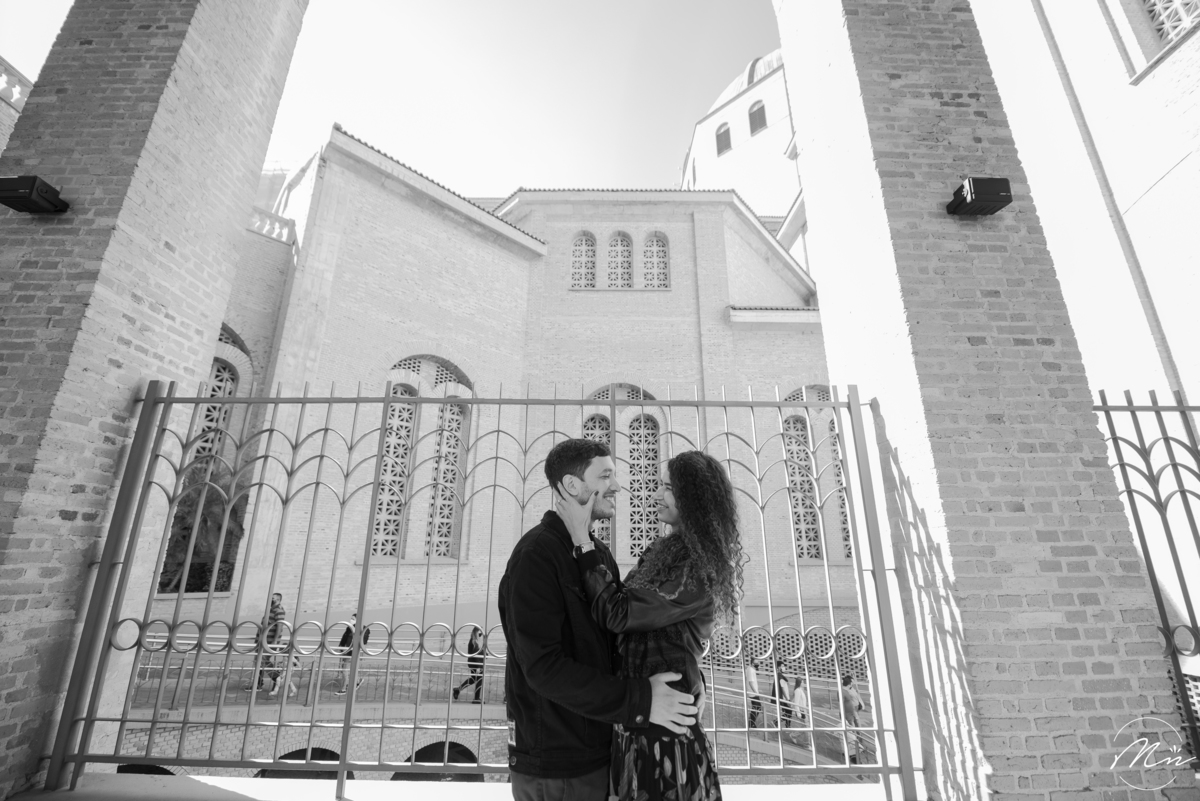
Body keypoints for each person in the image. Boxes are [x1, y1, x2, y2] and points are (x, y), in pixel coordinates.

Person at [499, 438, 699, 801]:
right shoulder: (536, 555)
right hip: (558, 766)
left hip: (599, 755)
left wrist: (687, 675)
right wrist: (641, 701)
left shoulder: (596, 553)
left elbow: (621, 635)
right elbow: (543, 668)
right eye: (605, 476)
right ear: (572, 485)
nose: (618, 486)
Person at [557, 449, 744, 801]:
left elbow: (619, 613)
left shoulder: (695, 569)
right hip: (641, 719)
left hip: (666, 735)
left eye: (668, 488)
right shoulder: (666, 552)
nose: (656, 495)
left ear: (693, 500)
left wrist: (583, 541)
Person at [333, 612, 370, 696]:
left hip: (354, 652)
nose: (351, 620)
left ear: (358, 620)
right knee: (348, 668)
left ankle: (344, 688)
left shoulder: (364, 629)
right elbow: (344, 638)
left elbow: (364, 641)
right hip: (346, 651)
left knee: (345, 669)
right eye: (351, 618)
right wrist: (340, 647)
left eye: (353, 619)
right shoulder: (349, 627)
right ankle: (357, 681)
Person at [840, 673, 867, 765]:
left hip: (855, 711)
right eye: (852, 681)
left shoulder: (852, 689)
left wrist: (861, 704)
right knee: (852, 731)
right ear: (849, 682)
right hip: (849, 713)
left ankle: (860, 745)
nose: (853, 683)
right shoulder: (844, 691)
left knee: (858, 728)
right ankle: (854, 750)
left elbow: (857, 696)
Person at [453, 626, 484, 704]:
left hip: (474, 663)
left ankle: (458, 689)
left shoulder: (476, 640)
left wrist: (484, 653)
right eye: (480, 633)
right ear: (477, 632)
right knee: (479, 679)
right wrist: (478, 666)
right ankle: (476, 698)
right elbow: (475, 654)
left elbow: (478, 652)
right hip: (475, 664)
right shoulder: (474, 641)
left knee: (473, 679)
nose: (482, 634)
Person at [744, 659, 763, 729]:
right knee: (757, 707)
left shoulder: (750, 669)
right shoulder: (751, 670)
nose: (758, 664)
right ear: (752, 663)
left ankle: (751, 722)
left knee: (756, 707)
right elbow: (751, 683)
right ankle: (751, 723)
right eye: (756, 663)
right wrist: (756, 692)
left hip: (752, 692)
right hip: (753, 693)